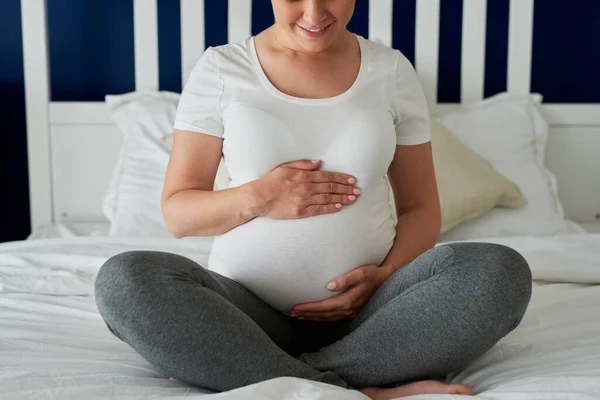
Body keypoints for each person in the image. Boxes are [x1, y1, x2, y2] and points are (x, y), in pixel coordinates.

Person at [94, 1, 532, 398]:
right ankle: (360, 391)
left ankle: (289, 380)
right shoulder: (222, 68)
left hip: (378, 315)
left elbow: (421, 208)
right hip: (244, 316)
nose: (313, 13)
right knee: (124, 279)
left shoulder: (391, 70)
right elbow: (178, 214)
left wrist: (384, 276)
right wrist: (261, 197)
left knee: (500, 270)